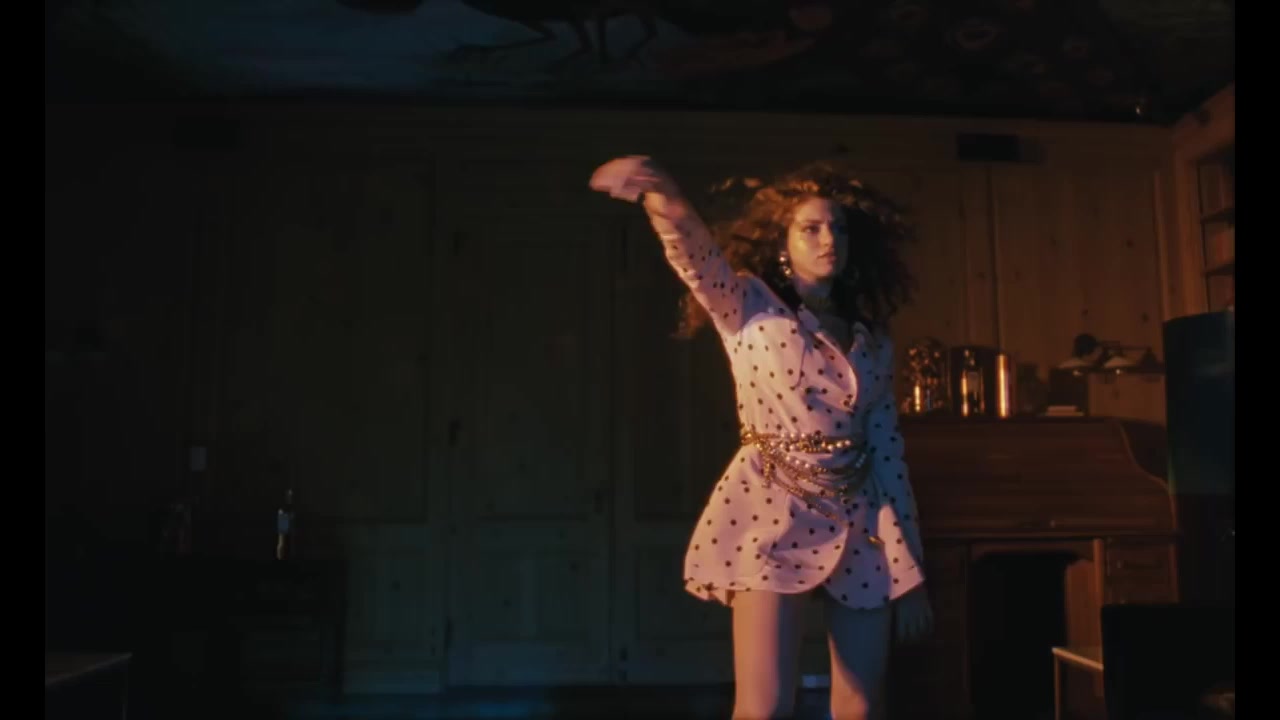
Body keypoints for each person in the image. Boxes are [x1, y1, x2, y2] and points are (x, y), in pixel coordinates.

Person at [590, 156, 933, 720]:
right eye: (811, 228)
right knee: (764, 707)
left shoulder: (872, 338)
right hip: (772, 505)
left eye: (839, 228)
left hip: (861, 516)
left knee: (863, 706)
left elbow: (889, 452)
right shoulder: (748, 304)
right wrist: (666, 197)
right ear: (783, 242)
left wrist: (910, 568)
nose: (829, 240)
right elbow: (696, 258)